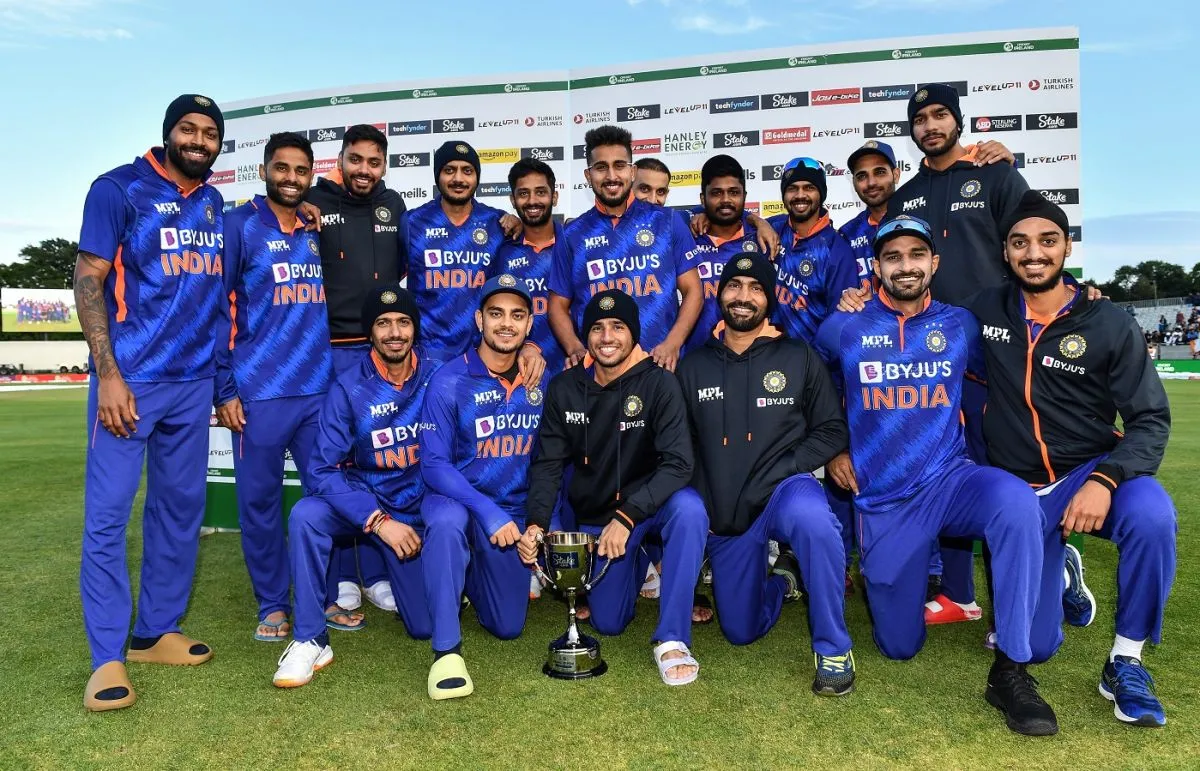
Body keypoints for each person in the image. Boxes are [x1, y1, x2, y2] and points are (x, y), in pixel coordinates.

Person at [815, 216, 1058, 736]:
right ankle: (887, 582)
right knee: (898, 647)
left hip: (951, 481)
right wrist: (835, 447)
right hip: (884, 500)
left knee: (1016, 502)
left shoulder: (962, 324)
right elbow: (808, 393)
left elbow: (1031, 348)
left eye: (916, 255)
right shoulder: (842, 328)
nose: (906, 266)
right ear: (876, 266)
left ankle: (1011, 669)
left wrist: (1082, 294)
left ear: (935, 263)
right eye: (893, 257)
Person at [970, 192, 1176, 727]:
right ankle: (1060, 567)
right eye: (1020, 243)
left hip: (1090, 471)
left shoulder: (1107, 322)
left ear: (1066, 246)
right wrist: (859, 300)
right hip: (1020, 491)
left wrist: (1106, 480)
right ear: (1005, 251)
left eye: (1047, 241)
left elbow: (1151, 420)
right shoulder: (985, 309)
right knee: (1036, 648)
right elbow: (924, 326)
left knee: (1153, 516)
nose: (1033, 253)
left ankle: (1126, 660)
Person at [75, 94, 227, 711]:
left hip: (192, 384)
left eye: (209, 132)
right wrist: (108, 374)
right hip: (130, 383)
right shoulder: (118, 188)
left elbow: (217, 300)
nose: (198, 139)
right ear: (167, 135)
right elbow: (88, 279)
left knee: (179, 509)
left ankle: (152, 631)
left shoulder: (214, 202)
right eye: (187, 129)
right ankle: (107, 657)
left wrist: (219, 381)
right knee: (109, 516)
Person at [676, 253, 856, 695]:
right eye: (734, 286)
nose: (743, 296)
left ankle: (834, 647)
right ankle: (782, 582)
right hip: (727, 508)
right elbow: (678, 446)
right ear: (719, 295)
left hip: (784, 491)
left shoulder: (798, 356)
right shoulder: (693, 365)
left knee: (815, 521)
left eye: (756, 287)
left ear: (770, 298)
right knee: (740, 630)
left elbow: (832, 428)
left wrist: (787, 466)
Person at [520, 289, 709, 686]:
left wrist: (628, 516)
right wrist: (538, 522)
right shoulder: (565, 387)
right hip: (598, 516)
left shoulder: (660, 384)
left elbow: (679, 464)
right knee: (609, 623)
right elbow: (548, 463)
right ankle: (640, 564)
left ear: (634, 334)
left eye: (618, 327)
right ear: (586, 336)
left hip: (651, 506)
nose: (607, 337)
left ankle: (672, 637)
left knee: (690, 509)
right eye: (598, 328)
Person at [273, 286, 438, 687]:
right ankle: (311, 638)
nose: (394, 332)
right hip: (372, 507)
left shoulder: (439, 373)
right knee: (307, 514)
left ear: (415, 329)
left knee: (423, 627)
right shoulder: (348, 387)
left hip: (420, 508)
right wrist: (377, 520)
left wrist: (530, 351)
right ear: (370, 333)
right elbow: (322, 469)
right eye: (383, 324)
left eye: (403, 322)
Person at [214, 132, 333, 642]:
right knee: (260, 504)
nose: (290, 177)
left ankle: (321, 597)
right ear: (264, 171)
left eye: (300, 170)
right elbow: (216, 310)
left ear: (310, 175)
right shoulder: (238, 225)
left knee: (326, 497)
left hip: (318, 390)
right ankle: (271, 603)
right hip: (257, 393)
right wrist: (225, 388)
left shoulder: (315, 224)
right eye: (280, 168)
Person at [418, 275, 550, 699]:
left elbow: (552, 462)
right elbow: (434, 464)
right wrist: (485, 509)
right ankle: (446, 653)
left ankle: (468, 578)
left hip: (510, 514)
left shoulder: (542, 379)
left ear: (530, 325)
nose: (506, 324)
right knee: (446, 519)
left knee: (508, 626)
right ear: (479, 320)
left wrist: (536, 524)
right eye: (496, 314)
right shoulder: (448, 380)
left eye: (517, 315)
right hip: (461, 501)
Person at [305, 124, 407, 620]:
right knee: (338, 464)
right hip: (328, 353)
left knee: (378, 461)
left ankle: (381, 570)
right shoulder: (312, 202)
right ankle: (342, 576)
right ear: (340, 159)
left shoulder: (394, 207)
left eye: (374, 161)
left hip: (378, 351)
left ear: (384, 165)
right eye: (356, 159)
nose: (364, 169)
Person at [549, 126, 701, 372]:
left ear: (632, 172)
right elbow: (557, 305)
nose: (611, 176)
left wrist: (673, 344)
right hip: (598, 374)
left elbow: (694, 290)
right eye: (601, 167)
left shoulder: (668, 222)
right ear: (588, 176)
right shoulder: (571, 235)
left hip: (659, 367)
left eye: (619, 165)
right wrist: (574, 347)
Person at [767, 157, 860, 345]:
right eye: (793, 188)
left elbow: (841, 320)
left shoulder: (837, 249)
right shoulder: (771, 229)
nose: (800, 195)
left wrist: (814, 365)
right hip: (766, 357)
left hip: (813, 362)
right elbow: (734, 220)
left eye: (809, 188)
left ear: (821, 193)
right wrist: (756, 221)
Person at [684, 154, 764, 351]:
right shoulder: (684, 235)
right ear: (703, 198)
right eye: (717, 193)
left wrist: (758, 220)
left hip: (753, 359)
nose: (726, 200)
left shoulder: (764, 238)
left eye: (734, 192)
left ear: (744, 196)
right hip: (695, 361)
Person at [495, 158, 566, 375]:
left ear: (554, 197)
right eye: (523, 193)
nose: (532, 201)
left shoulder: (575, 244)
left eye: (541, 192)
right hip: (519, 374)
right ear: (513, 200)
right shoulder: (501, 251)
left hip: (574, 372)